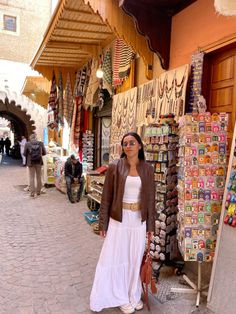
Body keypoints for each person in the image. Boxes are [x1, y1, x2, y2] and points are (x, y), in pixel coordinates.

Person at [90, 132, 155, 314]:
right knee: (117, 259)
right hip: (119, 220)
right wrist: (103, 224)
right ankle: (119, 296)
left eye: (132, 142)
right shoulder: (115, 167)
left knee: (134, 259)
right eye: (125, 143)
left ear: (139, 146)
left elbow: (150, 199)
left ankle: (133, 294)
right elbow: (106, 198)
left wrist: (150, 226)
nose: (128, 146)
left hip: (138, 222)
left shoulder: (147, 169)